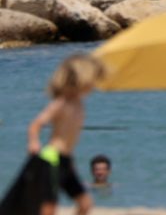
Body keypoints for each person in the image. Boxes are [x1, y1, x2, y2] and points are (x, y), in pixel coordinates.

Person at [0, 54, 105, 215]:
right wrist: (33, 142)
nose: (94, 84)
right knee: (48, 208)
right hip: (51, 159)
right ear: (80, 80)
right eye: (92, 80)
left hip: (65, 161)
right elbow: (36, 124)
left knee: (85, 203)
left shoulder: (80, 105)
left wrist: (70, 162)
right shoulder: (61, 103)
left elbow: (70, 139)